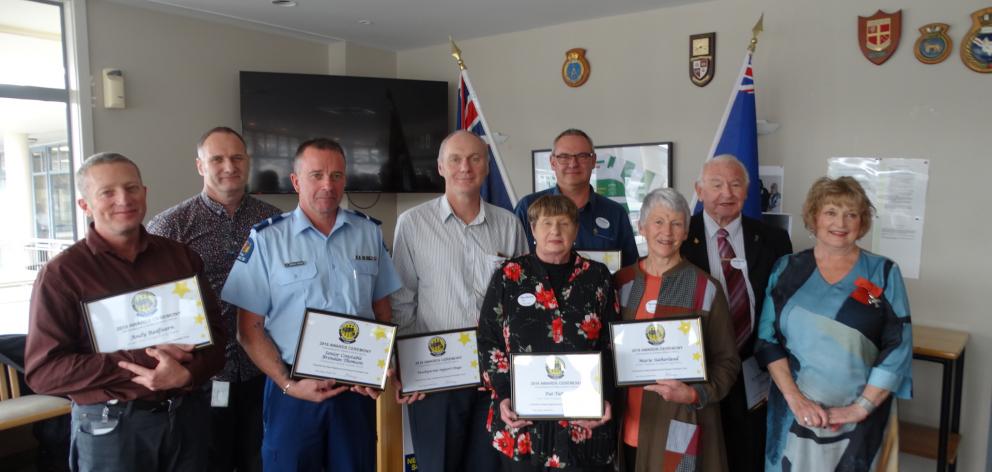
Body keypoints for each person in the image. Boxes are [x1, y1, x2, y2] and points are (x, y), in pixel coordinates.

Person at [24, 153, 226, 471]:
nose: (124, 199)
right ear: (85, 205)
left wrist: (188, 373)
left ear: (144, 193)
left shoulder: (180, 258)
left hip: (186, 419)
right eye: (108, 192)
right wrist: (140, 361)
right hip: (111, 428)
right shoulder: (62, 274)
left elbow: (217, 338)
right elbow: (44, 372)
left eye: (132, 188)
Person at [221, 138, 402, 471]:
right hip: (294, 390)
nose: (327, 185)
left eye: (336, 175)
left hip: (355, 391)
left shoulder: (369, 234)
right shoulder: (267, 240)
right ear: (295, 181)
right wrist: (288, 385)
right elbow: (248, 329)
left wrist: (378, 367)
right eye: (316, 175)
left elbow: (382, 311)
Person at [390, 130, 528, 472]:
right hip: (435, 378)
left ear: (487, 166)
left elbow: (525, 304)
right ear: (440, 166)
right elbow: (402, 303)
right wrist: (406, 369)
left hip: (496, 380)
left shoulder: (508, 224)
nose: (465, 167)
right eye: (455, 159)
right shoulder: (412, 224)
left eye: (475, 158)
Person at [147, 126, 281, 472]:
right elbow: (151, 304)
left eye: (237, 157)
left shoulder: (274, 222)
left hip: (263, 369)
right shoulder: (170, 227)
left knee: (260, 458)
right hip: (202, 376)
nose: (229, 166)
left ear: (248, 162)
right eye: (217, 158)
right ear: (200, 165)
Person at [755, 176, 912, 471]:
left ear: (862, 222)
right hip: (794, 417)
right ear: (814, 217)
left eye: (851, 214)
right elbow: (767, 340)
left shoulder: (883, 273)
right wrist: (796, 400)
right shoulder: (787, 269)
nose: (841, 222)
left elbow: (898, 344)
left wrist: (858, 408)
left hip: (862, 420)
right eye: (831, 212)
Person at [479, 195, 618, 471]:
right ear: (533, 230)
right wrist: (505, 393)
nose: (555, 231)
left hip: (584, 426)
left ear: (576, 230)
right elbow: (488, 340)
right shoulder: (509, 276)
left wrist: (606, 397)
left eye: (564, 223)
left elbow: (612, 345)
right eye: (547, 223)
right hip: (522, 426)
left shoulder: (598, 276)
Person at [615, 188, 740, 472]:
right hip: (625, 427)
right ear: (642, 227)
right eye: (658, 221)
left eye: (676, 223)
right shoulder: (619, 283)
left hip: (680, 422)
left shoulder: (705, 288)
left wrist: (695, 395)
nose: (667, 232)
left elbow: (727, 362)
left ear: (686, 232)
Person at [681, 154, 792, 472]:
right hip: (699, 369)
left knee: (748, 454)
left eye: (735, 184)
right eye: (716, 184)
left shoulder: (773, 239)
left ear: (747, 192)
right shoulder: (679, 236)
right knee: (700, 457)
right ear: (699, 191)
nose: (726, 193)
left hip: (754, 368)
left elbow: (785, 304)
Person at [515, 129, 639, 267]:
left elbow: (630, 270)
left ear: (593, 161)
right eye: (564, 156)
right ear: (552, 162)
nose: (573, 163)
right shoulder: (527, 207)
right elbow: (513, 263)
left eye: (582, 156)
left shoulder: (615, 213)